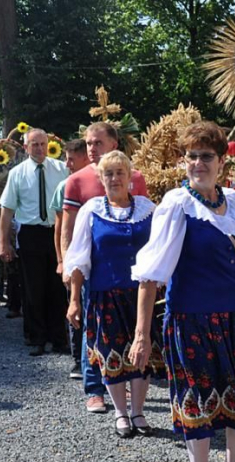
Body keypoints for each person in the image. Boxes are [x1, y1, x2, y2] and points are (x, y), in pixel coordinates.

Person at [130, 121, 235, 462]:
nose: (197, 163)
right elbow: (150, 274)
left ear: (222, 162)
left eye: (206, 156)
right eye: (191, 156)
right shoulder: (177, 205)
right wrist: (142, 335)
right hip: (193, 320)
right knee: (199, 399)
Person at [64, 151, 164, 438]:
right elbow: (79, 258)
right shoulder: (92, 211)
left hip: (142, 296)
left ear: (130, 176)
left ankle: (138, 411)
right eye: (109, 173)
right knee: (111, 355)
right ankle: (121, 412)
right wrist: (73, 300)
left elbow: (162, 250)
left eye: (120, 172)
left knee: (142, 352)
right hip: (104, 294)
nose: (115, 178)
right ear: (101, 178)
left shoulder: (148, 209)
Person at [63, 122, 143, 413]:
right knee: (92, 332)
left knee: (130, 332)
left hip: (130, 278)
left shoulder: (136, 177)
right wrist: (65, 261)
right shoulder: (77, 180)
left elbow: (143, 217)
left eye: (97, 143)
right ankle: (94, 388)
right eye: (87, 144)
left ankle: (131, 391)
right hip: (94, 272)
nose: (91, 149)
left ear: (114, 144)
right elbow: (68, 227)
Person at [0, 128, 69, 356]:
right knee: (32, 288)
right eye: (34, 144)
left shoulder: (61, 170)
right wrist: (3, 242)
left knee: (57, 287)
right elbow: (7, 210)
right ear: (26, 147)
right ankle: (36, 337)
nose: (39, 148)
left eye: (42, 144)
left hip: (55, 232)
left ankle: (59, 337)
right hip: (30, 233)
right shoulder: (17, 173)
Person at [51, 138, 91, 380]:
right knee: (75, 306)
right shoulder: (66, 185)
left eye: (71, 158)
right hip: (76, 256)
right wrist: (61, 259)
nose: (66, 163)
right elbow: (60, 228)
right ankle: (79, 360)